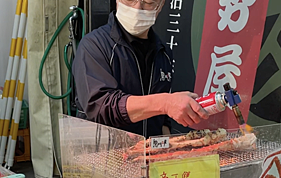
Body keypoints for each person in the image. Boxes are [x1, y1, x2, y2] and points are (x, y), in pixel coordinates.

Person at [73, 0, 208, 137]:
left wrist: (167, 148)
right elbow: (100, 106)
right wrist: (165, 103)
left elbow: (161, 119)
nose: (137, 7)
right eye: (130, 0)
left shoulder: (163, 52)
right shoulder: (94, 45)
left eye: (148, 2)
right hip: (105, 154)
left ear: (160, 6)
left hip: (148, 154)